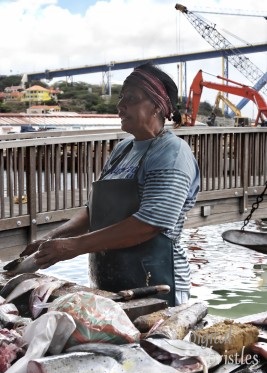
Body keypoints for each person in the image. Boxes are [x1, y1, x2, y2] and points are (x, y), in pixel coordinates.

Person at [18, 63, 200, 306]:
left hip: (157, 286)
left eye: (131, 98)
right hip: (110, 283)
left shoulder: (172, 152)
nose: (120, 105)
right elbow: (94, 210)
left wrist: (73, 246)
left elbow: (150, 223)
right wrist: (53, 238)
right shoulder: (123, 149)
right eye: (121, 97)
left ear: (157, 105)